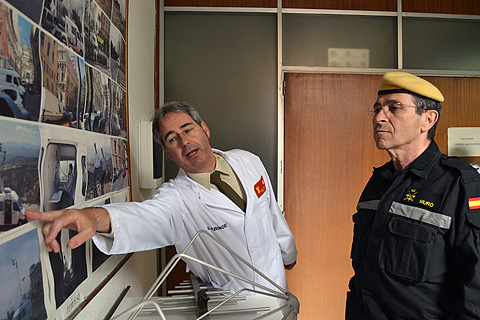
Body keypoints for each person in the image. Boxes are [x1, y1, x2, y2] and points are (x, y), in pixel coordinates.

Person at [26, 101, 297, 293]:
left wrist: (289, 255)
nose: (184, 142)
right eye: (172, 139)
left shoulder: (248, 161)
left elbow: (272, 213)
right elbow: (143, 218)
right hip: (236, 307)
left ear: (205, 129)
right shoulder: (176, 200)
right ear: (168, 153)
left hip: (278, 286)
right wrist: (92, 217)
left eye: (188, 129)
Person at [346, 72, 480, 319]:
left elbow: (475, 290)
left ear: (427, 119)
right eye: (377, 108)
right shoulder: (379, 182)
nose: (379, 118)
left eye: (393, 108)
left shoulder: (458, 184)